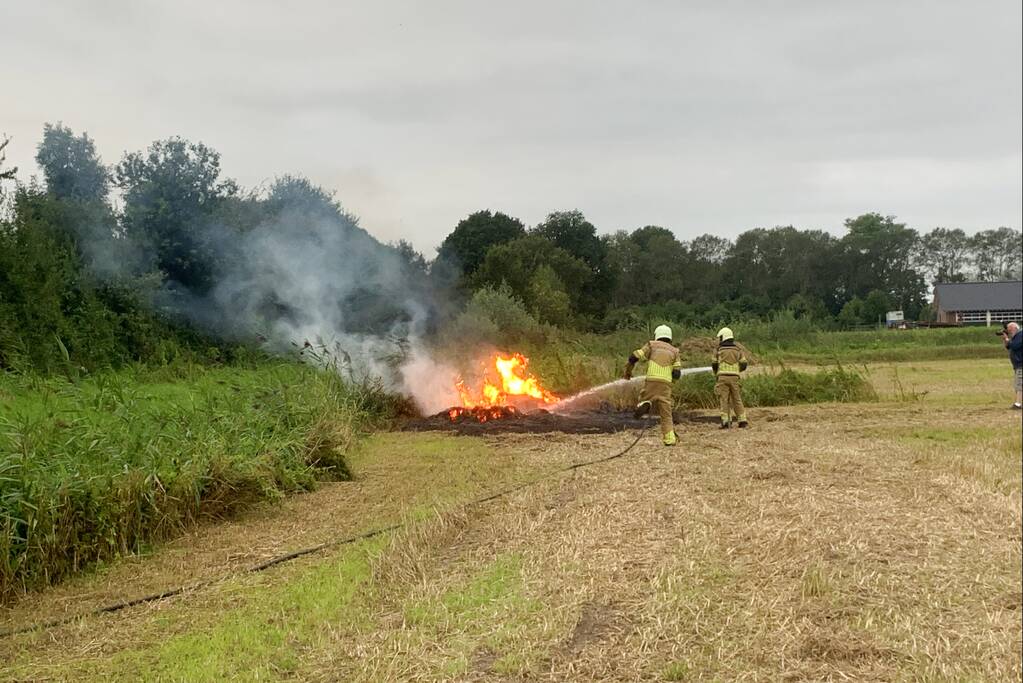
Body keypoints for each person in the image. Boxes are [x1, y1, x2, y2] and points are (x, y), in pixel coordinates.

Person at [624, 324, 682, 446]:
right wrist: (671, 384)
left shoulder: (652, 345)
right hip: (666, 383)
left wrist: (628, 371)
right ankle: (670, 439)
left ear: (657, 335)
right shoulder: (675, 351)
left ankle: (645, 403)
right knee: (666, 414)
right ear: (670, 337)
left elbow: (635, 356)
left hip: (652, 379)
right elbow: (676, 373)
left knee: (645, 396)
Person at [712, 327, 749, 429]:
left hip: (722, 377)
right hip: (735, 378)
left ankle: (726, 422)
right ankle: (742, 421)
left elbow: (714, 364)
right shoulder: (738, 350)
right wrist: (737, 371)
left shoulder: (718, 350)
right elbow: (744, 364)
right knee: (737, 399)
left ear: (723, 337)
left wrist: (716, 374)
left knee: (724, 400)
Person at [1002, 321, 1022, 410]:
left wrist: (1007, 339)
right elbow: (1008, 347)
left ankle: (1018, 404)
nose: (1009, 332)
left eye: (1010, 330)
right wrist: (1005, 340)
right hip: (1018, 364)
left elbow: (1014, 346)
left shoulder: (1020, 335)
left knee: (1019, 384)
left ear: (1015, 328)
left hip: (1021, 364)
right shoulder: (1016, 337)